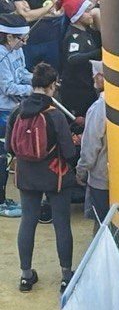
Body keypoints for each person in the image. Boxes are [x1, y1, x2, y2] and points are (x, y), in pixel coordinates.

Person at [9, 60, 78, 291]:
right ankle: (66, 275)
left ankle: (26, 275)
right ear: (52, 86)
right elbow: (68, 151)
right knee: (61, 224)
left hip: (26, 177)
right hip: (55, 176)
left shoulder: (18, 112)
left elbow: (10, 147)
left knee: (27, 222)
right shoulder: (55, 115)